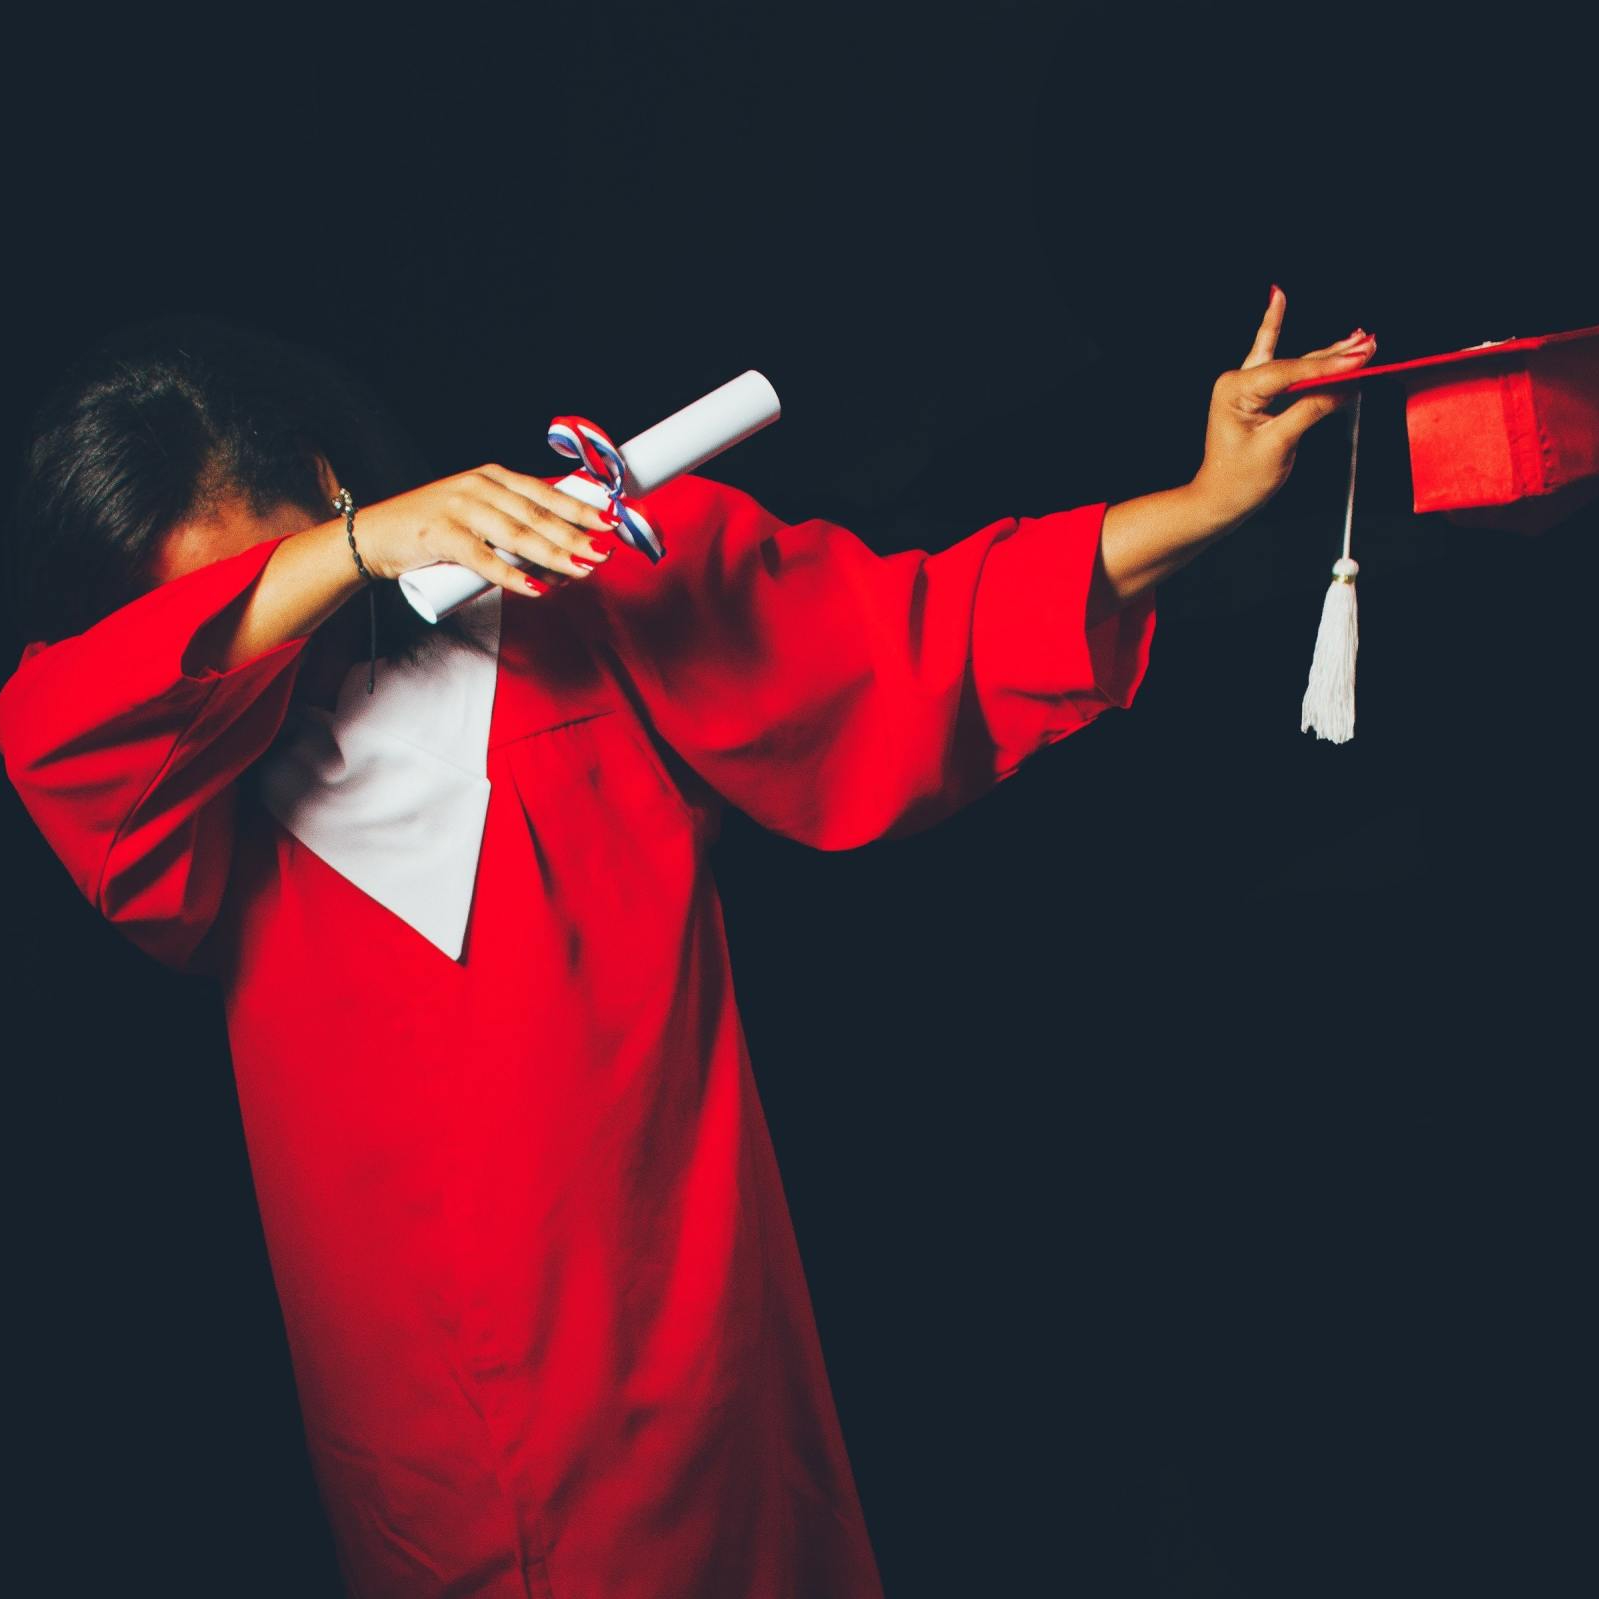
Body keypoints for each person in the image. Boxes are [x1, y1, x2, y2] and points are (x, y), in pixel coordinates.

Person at [0, 292, 1374, 1598]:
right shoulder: (177, 800)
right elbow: (64, 722)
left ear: (327, 470)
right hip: (412, 1431)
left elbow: (908, 635)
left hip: (668, 1347)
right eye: (231, 612)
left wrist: (1200, 507)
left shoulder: (576, 607)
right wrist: (345, 554)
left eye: (275, 563)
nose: (270, 640)